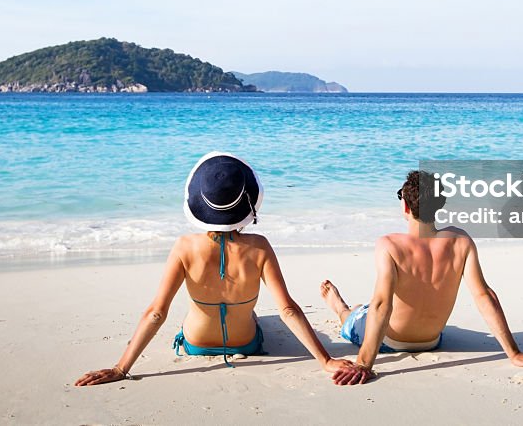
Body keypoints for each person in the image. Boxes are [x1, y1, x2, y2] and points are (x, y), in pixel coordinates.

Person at [76, 152, 365, 386]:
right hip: (247, 344)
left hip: (196, 344)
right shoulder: (259, 247)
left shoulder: (184, 247)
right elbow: (287, 309)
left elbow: (156, 312)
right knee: (253, 314)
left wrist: (120, 368)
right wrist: (325, 361)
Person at [321, 170, 523, 385]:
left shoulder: (389, 245)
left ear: (405, 207)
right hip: (432, 340)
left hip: (390, 341)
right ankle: (353, 309)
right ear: (439, 206)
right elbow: (484, 295)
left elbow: (382, 305)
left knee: (356, 315)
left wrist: (365, 363)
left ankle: (340, 307)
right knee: (370, 308)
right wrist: (514, 353)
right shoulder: (460, 241)